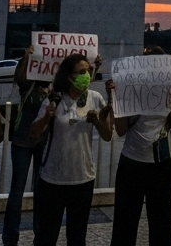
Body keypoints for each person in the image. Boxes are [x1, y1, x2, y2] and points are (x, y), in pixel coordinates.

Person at [28, 52, 112, 246]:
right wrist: (47, 117)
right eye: (80, 72)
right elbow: (33, 132)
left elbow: (107, 135)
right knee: (47, 236)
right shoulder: (55, 98)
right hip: (53, 179)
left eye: (88, 71)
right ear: (69, 76)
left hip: (83, 178)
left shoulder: (95, 98)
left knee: (77, 236)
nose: (86, 75)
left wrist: (97, 121)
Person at [108, 46, 171, 246]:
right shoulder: (130, 89)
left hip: (160, 163)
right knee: (125, 223)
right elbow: (121, 130)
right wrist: (116, 98)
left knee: (161, 223)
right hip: (132, 162)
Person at [2, 45, 50, 246]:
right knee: (17, 189)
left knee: (41, 188)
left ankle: (40, 233)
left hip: (43, 140)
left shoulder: (53, 87)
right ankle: (10, 236)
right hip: (22, 139)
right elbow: (19, 78)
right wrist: (25, 58)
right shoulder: (27, 83)